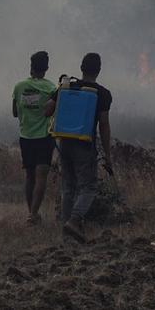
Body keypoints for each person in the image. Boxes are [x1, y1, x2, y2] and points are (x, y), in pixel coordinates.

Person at [45, 52, 113, 242]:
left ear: (81, 68)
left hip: (64, 142)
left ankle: (65, 230)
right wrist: (108, 154)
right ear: (98, 71)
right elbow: (104, 125)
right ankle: (74, 221)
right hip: (84, 144)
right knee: (89, 187)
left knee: (68, 187)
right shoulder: (103, 93)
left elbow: (46, 111)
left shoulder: (67, 87)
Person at [12, 50, 56, 225]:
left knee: (30, 176)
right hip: (44, 137)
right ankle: (33, 214)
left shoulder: (19, 86)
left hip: (25, 136)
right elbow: (52, 110)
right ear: (46, 68)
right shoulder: (51, 88)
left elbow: (15, 112)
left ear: (31, 66)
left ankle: (31, 212)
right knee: (41, 176)